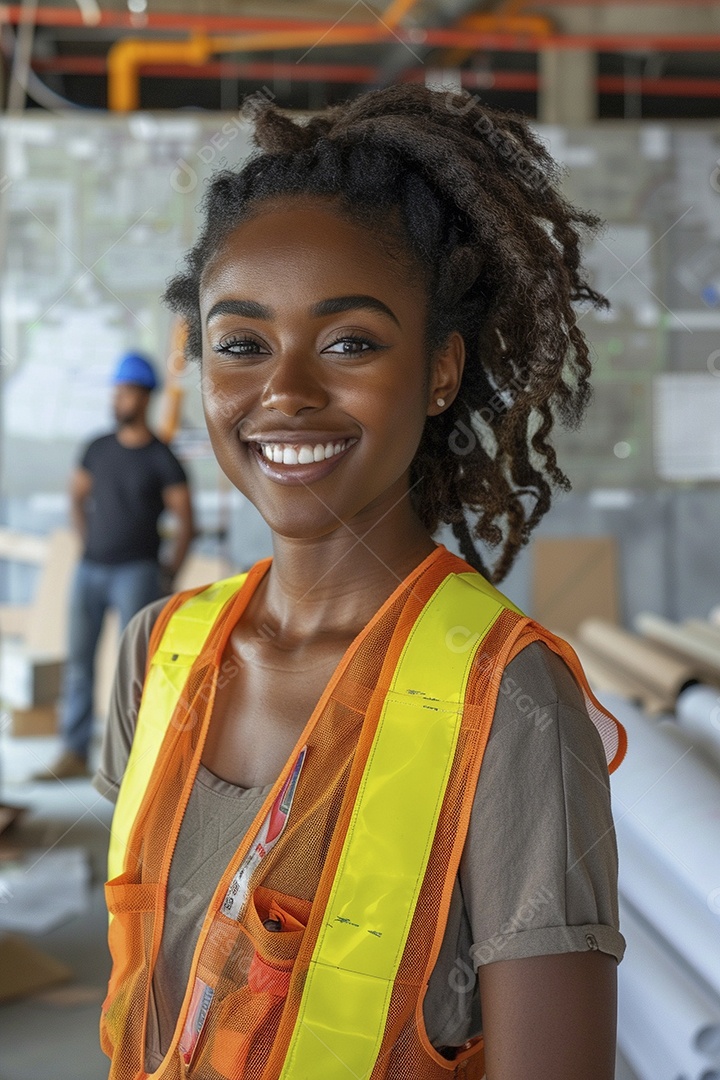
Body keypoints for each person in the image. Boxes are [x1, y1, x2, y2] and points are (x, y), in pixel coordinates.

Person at [94, 87, 627, 1079]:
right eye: (241, 343)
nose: (286, 391)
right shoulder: (157, 655)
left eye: (349, 342)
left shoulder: (507, 702)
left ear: (440, 371)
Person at [36, 351, 194, 780]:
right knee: (79, 663)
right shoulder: (98, 448)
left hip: (137, 574)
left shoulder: (162, 458)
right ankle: (74, 753)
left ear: (145, 397)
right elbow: (76, 496)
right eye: (116, 391)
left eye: (126, 392)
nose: (118, 398)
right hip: (89, 571)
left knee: (133, 670)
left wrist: (168, 575)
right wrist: (87, 540)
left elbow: (186, 522)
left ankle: (129, 762)